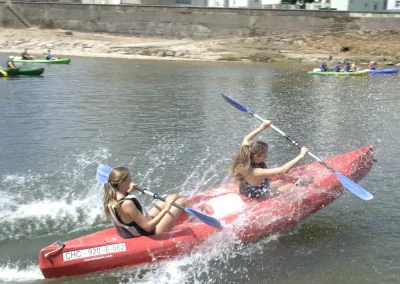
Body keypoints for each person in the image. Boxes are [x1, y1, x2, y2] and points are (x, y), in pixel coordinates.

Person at [231, 120, 311, 200]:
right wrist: (301, 155)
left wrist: (262, 127)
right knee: (289, 187)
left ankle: (302, 185)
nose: (266, 156)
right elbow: (283, 170)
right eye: (264, 155)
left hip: (247, 189)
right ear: (257, 156)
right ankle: (309, 191)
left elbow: (246, 138)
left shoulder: (246, 153)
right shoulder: (255, 171)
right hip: (256, 195)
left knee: (280, 182)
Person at [103, 167, 188, 238]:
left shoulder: (110, 199)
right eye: (129, 180)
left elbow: (122, 204)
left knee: (174, 196)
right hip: (151, 232)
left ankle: (188, 216)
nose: (131, 181)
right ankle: (194, 222)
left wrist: (128, 190)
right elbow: (148, 227)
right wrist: (166, 208)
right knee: (181, 202)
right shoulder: (127, 204)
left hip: (138, 226)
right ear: (121, 182)